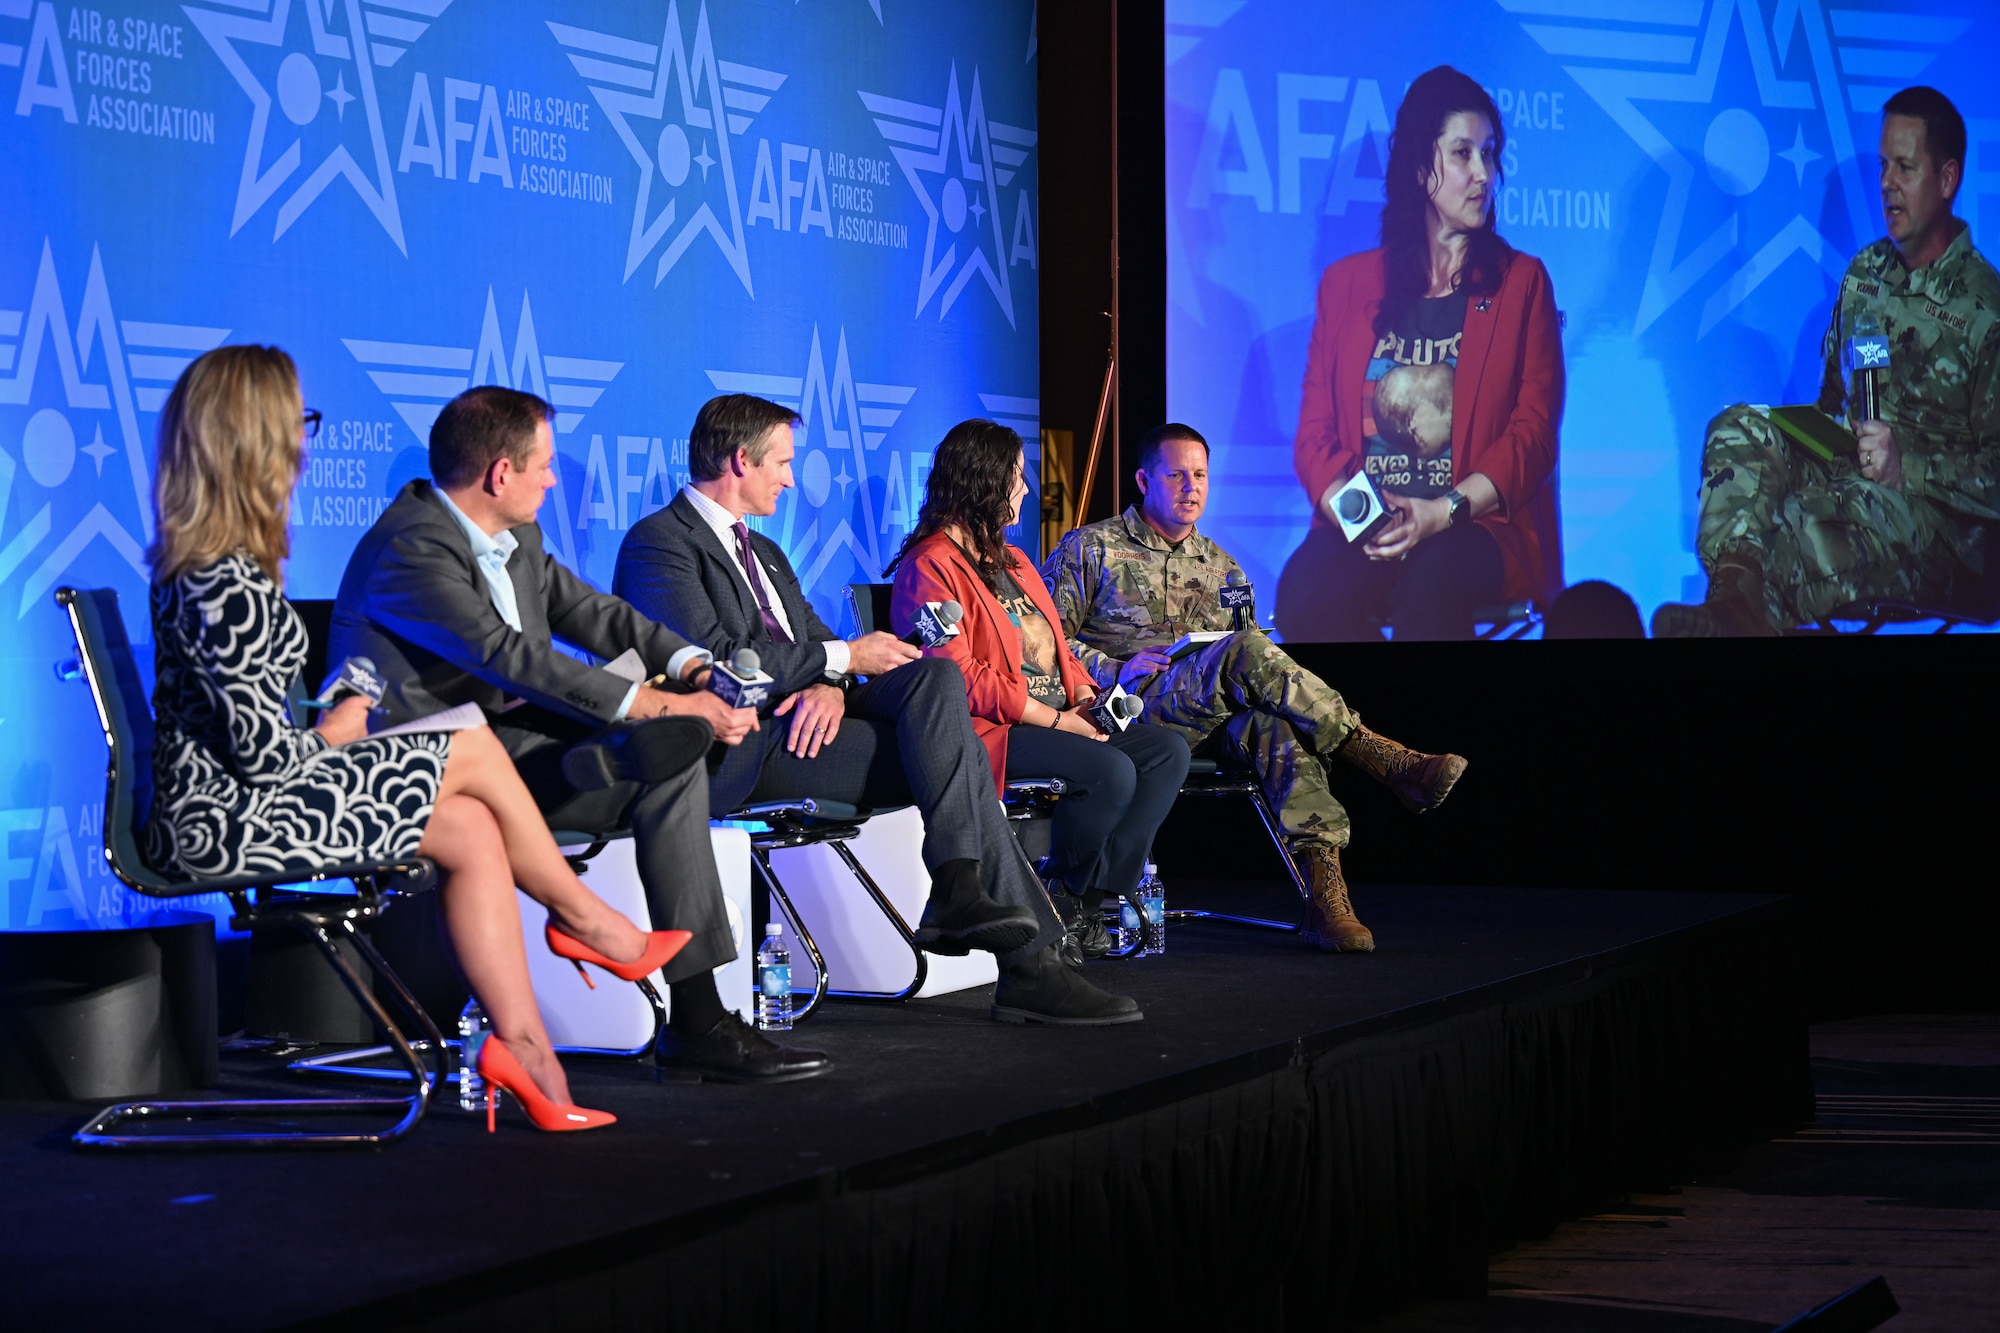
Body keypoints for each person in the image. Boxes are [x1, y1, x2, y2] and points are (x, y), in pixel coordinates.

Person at [145, 346, 689, 1133]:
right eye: (296, 421)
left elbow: (249, 718)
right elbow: (264, 760)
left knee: (470, 825)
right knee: (470, 740)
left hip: (251, 795)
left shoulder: (222, 565)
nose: (305, 439)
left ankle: (528, 1049)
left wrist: (336, 703)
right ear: (253, 438)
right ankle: (587, 920)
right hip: (221, 820)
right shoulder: (219, 576)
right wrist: (336, 725)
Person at [329, 385, 828, 1083]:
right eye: (545, 466)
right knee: (664, 731)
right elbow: (510, 658)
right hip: (433, 774)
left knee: (671, 761)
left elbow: (595, 612)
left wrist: (693, 665)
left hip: (513, 751)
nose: (554, 479)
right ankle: (597, 841)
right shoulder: (410, 547)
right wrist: (656, 706)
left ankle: (698, 1018)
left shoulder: (516, 534)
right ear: (501, 474)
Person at [614, 395, 1138, 1026]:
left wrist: (832, 683)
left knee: (936, 676)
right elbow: (721, 662)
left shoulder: (768, 555)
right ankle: (1015, 950)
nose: (789, 477)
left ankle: (969, 895)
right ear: (740, 460)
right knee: (962, 753)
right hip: (748, 746)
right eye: (782, 463)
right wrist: (838, 661)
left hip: (812, 723)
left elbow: (819, 651)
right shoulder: (660, 544)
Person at [1043, 423, 1469, 953]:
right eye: (1175, 475)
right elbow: (1041, 645)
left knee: (1276, 728)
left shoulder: (1222, 566)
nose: (1190, 487)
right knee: (1244, 650)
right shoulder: (1092, 548)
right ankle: (1381, 756)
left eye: (1199, 475)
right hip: (1133, 713)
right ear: (1143, 479)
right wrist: (1113, 670)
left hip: (1209, 715)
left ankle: (1324, 897)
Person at [1652, 85, 2000, 636]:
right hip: (1853, 477)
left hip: (1946, 534)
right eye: (1884, 165)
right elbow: (1835, 407)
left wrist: (1906, 464)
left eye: (1904, 168)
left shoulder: (1987, 309)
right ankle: (1736, 601)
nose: (1886, 183)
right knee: (1737, 429)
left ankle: (1737, 620)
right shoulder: (1866, 272)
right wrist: (1808, 434)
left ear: (1948, 179)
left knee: (1806, 517)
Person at [889, 419, 1190, 980]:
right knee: (1110, 772)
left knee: (1166, 753)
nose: (1026, 489)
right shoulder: (928, 565)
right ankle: (1067, 893)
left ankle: (1083, 901)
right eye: (1018, 477)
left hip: (1058, 712)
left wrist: (1081, 694)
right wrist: (1056, 720)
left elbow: (1057, 645)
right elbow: (953, 677)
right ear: (984, 482)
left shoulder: (1017, 562)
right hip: (995, 728)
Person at [1282, 65, 1564, 641]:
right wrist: (1367, 518)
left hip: (1474, 528)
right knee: (1304, 593)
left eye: (1488, 153)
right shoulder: (1346, 285)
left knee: (1431, 583)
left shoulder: (1522, 283)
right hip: (1367, 524)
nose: (1483, 174)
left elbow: (1532, 436)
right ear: (1419, 169)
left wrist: (1440, 512)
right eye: (1463, 153)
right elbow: (1314, 436)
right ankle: (1354, 732)